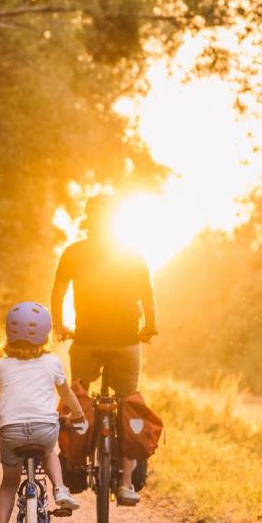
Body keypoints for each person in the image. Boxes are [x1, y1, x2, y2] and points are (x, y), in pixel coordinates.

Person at [50, 193, 156, 505]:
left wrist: (59, 326)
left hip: (86, 340)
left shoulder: (73, 252)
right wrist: (149, 327)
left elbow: (58, 295)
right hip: (125, 340)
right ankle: (125, 483)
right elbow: (147, 297)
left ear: (88, 218)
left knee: (78, 397)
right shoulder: (133, 254)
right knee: (127, 403)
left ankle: (73, 462)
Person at [0, 302, 87, 523]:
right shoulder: (51, 362)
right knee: (49, 451)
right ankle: (60, 489)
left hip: (11, 431)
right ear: (45, 334)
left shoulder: (2, 365)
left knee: (9, 482)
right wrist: (78, 415)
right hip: (44, 428)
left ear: (9, 333)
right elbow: (66, 393)